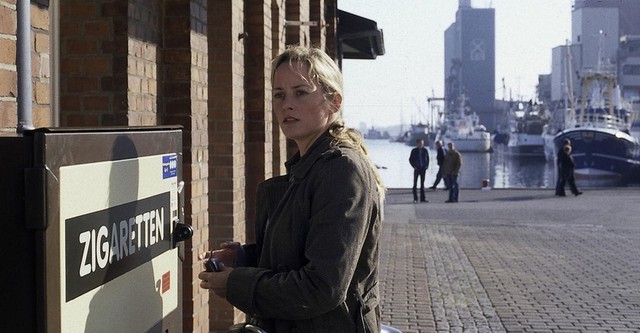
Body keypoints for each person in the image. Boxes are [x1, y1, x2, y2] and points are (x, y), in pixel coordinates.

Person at [198, 45, 385, 333]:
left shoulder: (341, 169)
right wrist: (244, 258)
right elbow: (300, 250)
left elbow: (322, 286)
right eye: (279, 94)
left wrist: (236, 283)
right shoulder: (308, 168)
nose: (287, 104)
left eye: (301, 92)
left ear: (334, 102)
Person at [409, 138, 430, 203]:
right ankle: (415, 198)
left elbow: (428, 159)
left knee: (422, 184)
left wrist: (426, 166)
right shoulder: (414, 150)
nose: (421, 144)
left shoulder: (425, 150)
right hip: (417, 168)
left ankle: (422, 198)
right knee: (415, 184)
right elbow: (410, 159)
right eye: (420, 143)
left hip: (423, 168)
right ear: (417, 144)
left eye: (422, 143)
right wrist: (414, 166)